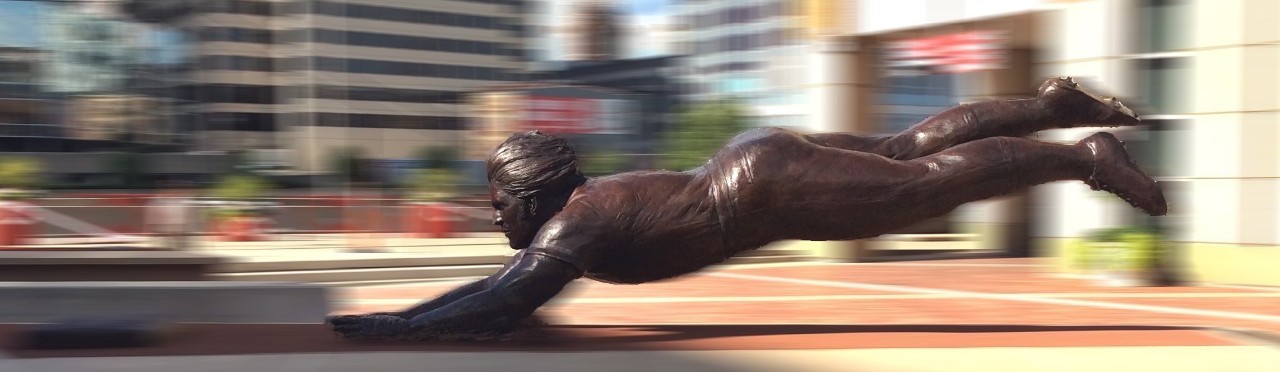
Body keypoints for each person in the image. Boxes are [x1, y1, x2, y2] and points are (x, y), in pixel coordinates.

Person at [329, 77, 1168, 341]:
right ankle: (1049, 105)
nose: (494, 217)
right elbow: (498, 288)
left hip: (766, 188)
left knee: (925, 183)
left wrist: (396, 328)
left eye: (498, 202)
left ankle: (1085, 156)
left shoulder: (574, 223)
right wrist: (407, 316)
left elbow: (502, 304)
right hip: (754, 161)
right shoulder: (577, 211)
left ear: (531, 193)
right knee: (908, 148)